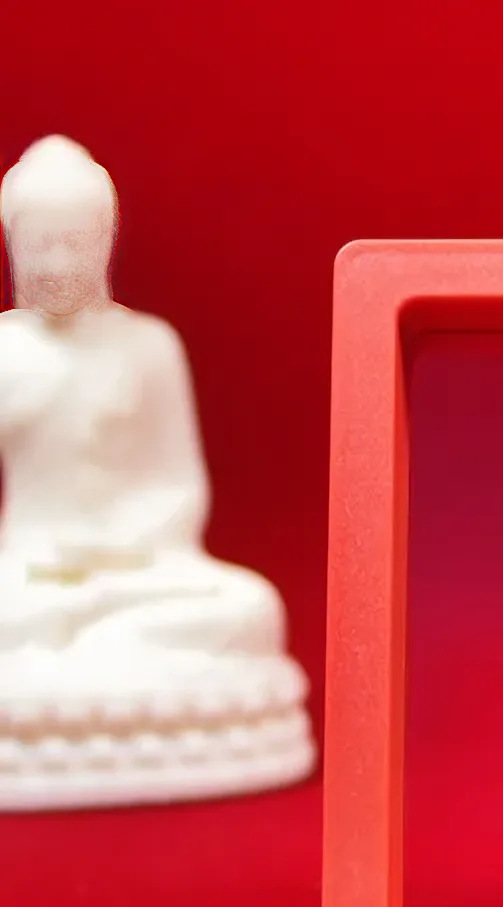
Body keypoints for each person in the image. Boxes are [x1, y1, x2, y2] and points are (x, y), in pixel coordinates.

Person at [0, 136, 312, 805]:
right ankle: (71, 652)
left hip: (135, 569)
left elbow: (179, 486)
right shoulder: (6, 352)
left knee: (250, 606)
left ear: (104, 244)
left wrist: (120, 548)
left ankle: (72, 660)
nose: (56, 265)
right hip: (26, 570)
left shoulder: (148, 347)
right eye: (40, 246)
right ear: (12, 247)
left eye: (73, 244)